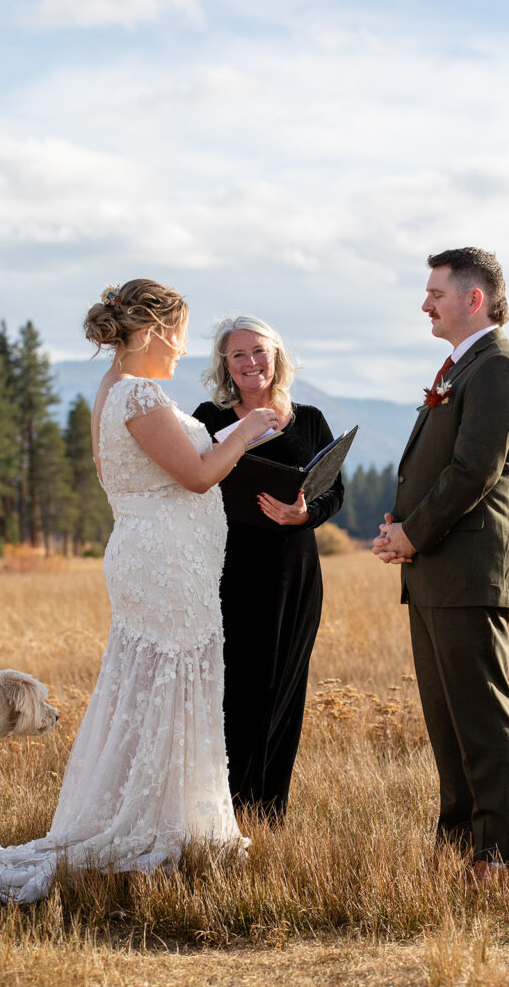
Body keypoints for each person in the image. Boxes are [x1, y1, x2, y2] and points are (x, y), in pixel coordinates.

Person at [0, 279, 278, 902]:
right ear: (153, 330)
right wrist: (247, 427)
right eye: (179, 333)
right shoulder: (140, 393)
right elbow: (199, 476)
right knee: (165, 686)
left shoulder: (116, 390)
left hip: (159, 561)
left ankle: (164, 816)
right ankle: (152, 826)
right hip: (163, 567)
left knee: (151, 686)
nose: (182, 349)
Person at [372, 248, 509, 885]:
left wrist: (412, 534)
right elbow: (435, 466)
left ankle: (500, 857)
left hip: (471, 564)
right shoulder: (462, 369)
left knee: (480, 715)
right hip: (438, 567)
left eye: (435, 292)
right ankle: (458, 847)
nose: (425, 304)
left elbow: (474, 472)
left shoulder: (499, 370)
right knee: (446, 720)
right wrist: (398, 525)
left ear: (474, 298)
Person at [193, 316, 344, 821]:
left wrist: (307, 514)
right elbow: (190, 486)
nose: (251, 362)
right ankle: (226, 810)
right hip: (231, 571)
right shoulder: (205, 420)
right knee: (237, 689)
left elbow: (333, 492)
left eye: (259, 351)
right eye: (238, 355)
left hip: (295, 571)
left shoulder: (311, 420)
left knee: (285, 686)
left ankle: (270, 810)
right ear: (225, 366)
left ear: (277, 356)